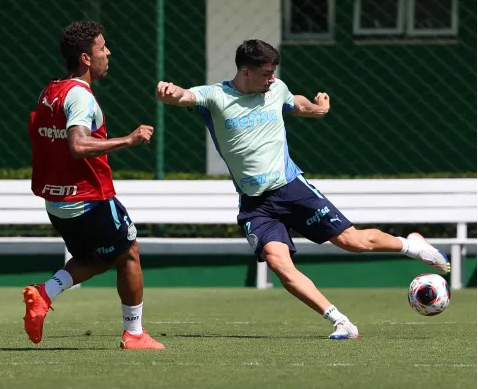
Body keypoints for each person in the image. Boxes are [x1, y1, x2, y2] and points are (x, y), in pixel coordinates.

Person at [155, 39, 450, 340]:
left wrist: (317, 108)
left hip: (291, 188)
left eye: (273, 72)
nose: (271, 78)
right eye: (266, 73)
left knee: (352, 241)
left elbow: (296, 103)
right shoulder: (216, 96)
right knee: (278, 263)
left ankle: (412, 245)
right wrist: (169, 91)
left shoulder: (276, 89)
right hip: (256, 204)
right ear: (245, 72)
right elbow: (185, 96)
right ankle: (341, 322)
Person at [23, 21, 164, 350]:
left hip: (58, 205)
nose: (108, 52)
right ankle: (134, 334)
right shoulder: (80, 98)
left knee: (101, 258)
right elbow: (78, 145)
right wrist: (129, 139)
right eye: (102, 48)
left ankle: (45, 293)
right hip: (89, 199)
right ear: (86, 58)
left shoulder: (51, 91)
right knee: (129, 253)